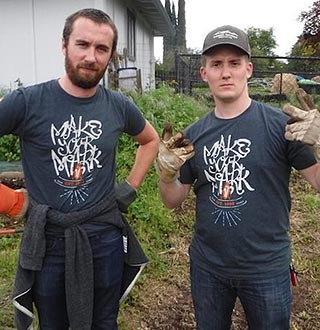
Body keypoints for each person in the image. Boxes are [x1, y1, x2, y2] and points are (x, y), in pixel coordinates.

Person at [0, 8, 159, 330]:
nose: (90, 56)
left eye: (101, 49)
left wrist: (129, 188)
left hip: (104, 237)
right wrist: (11, 201)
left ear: (111, 56)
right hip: (49, 239)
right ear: (64, 46)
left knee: (104, 321)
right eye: (82, 44)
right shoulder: (27, 102)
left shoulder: (118, 106)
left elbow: (150, 140)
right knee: (54, 323)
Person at [156, 25, 320, 330]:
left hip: (267, 267)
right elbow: (172, 201)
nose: (226, 72)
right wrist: (166, 176)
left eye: (234, 63)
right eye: (216, 64)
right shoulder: (192, 136)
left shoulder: (281, 125)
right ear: (204, 73)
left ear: (249, 69)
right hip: (208, 268)